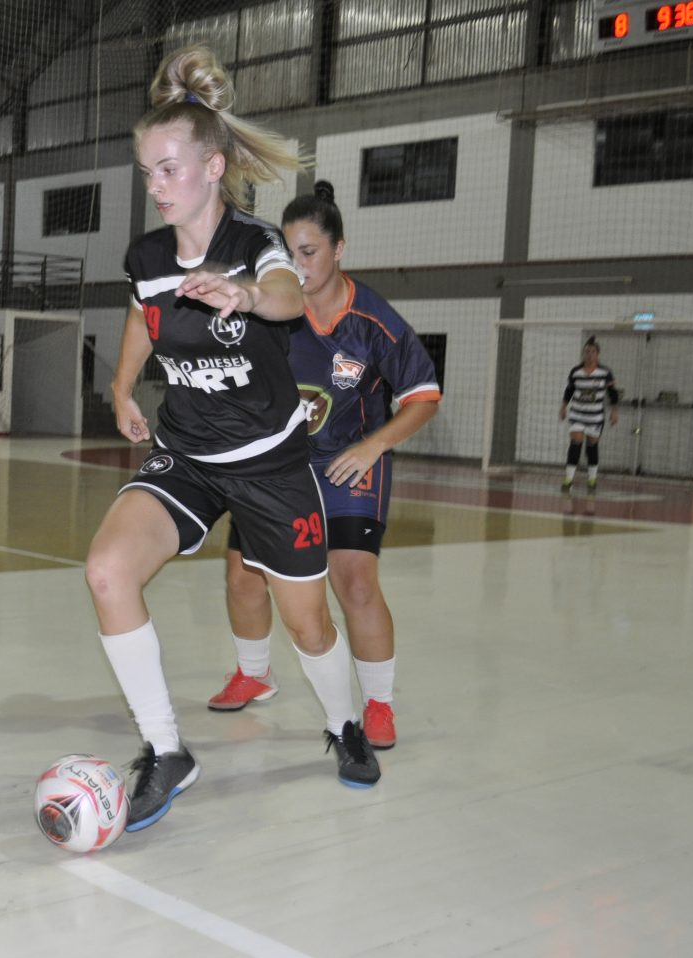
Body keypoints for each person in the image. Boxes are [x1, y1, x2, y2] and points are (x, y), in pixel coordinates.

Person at [88, 45, 378, 836]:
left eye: (169, 169)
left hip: (270, 465)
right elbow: (143, 314)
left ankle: (345, 725)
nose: (156, 186)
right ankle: (166, 751)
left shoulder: (254, 244)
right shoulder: (148, 257)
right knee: (108, 570)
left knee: (308, 623)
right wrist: (121, 387)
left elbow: (286, 297)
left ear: (213, 168)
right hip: (187, 453)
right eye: (147, 172)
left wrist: (244, 295)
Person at [212, 181, 443, 755]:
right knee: (243, 574)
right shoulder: (272, 314)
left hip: (348, 465)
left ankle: (379, 703)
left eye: (309, 252)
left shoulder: (373, 321)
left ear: (339, 249)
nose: (297, 265)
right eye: (288, 253)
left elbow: (424, 397)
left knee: (354, 581)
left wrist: (372, 447)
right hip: (280, 467)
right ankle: (255, 673)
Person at [560, 337, 620, 491]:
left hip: (595, 416)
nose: (589, 354)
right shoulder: (576, 372)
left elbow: (613, 393)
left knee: (591, 448)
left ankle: (592, 479)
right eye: (587, 351)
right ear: (583, 354)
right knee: (575, 444)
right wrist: (563, 407)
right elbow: (569, 390)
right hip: (577, 415)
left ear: (597, 354)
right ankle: (568, 479)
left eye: (593, 352)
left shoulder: (605, 372)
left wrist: (614, 411)